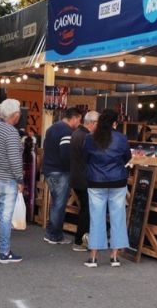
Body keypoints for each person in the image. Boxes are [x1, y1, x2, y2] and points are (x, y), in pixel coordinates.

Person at [83, 109, 132, 268]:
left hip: (96, 181)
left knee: (96, 218)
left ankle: (93, 258)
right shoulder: (121, 138)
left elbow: (86, 158)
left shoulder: (90, 138)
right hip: (118, 180)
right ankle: (115, 257)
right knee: (118, 217)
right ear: (115, 123)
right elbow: (127, 158)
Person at [0, 99, 24, 263]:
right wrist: (20, 179)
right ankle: (5, 252)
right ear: (15, 115)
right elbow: (15, 160)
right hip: (7, 179)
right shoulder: (11, 132)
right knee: (5, 217)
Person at [42, 108, 82, 245]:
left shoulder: (52, 128)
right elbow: (65, 154)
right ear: (75, 118)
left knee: (56, 203)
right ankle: (54, 235)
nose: (79, 123)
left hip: (49, 170)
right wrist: (71, 168)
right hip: (60, 171)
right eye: (79, 119)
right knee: (59, 204)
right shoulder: (66, 131)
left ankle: (52, 232)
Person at [70, 111, 98, 252]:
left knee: (84, 209)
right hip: (85, 179)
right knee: (86, 210)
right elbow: (91, 158)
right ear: (92, 123)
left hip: (76, 177)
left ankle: (82, 238)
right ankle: (80, 240)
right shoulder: (86, 137)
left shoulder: (76, 133)